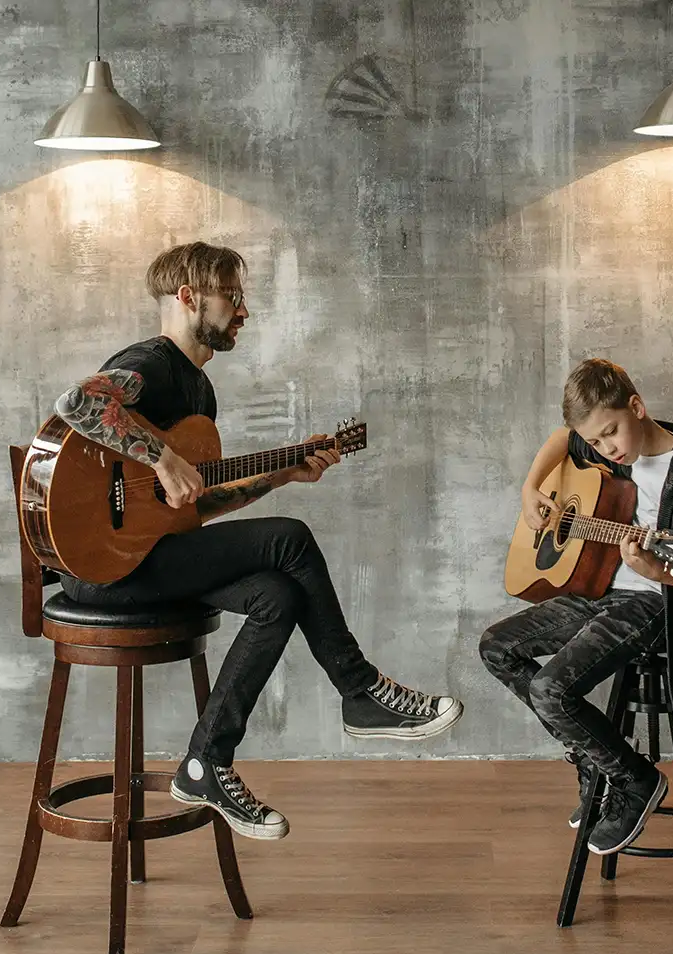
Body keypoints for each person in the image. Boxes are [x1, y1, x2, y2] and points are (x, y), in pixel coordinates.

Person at [52, 241, 464, 842]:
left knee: (277, 593)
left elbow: (194, 507)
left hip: (148, 557)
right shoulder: (152, 363)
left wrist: (281, 475)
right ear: (190, 298)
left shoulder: (199, 391)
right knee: (291, 540)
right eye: (232, 296)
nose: (243, 310)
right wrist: (161, 456)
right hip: (103, 569)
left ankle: (205, 763)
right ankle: (359, 690)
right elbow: (78, 403)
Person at [479, 358, 673, 855]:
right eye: (596, 442)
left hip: (656, 606)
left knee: (551, 688)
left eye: (610, 434)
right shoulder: (607, 445)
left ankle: (635, 781)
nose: (605, 448)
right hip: (599, 591)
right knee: (496, 647)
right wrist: (530, 489)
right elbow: (563, 439)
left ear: (636, 407)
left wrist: (655, 569)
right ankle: (594, 759)